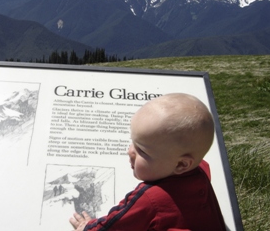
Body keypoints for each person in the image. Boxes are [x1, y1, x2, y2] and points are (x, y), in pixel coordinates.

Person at [69, 93, 226, 230]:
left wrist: (87, 227)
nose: (130, 151)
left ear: (181, 164)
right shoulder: (201, 170)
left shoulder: (150, 199)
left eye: (142, 150)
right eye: (133, 142)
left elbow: (115, 226)